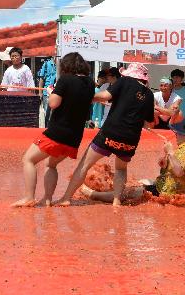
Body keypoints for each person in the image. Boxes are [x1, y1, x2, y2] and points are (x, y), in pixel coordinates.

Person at [56, 62, 155, 207]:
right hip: (130, 139)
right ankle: (116, 200)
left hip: (110, 133)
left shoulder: (124, 81)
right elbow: (148, 124)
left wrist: (87, 97)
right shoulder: (149, 95)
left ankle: (66, 198)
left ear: (130, 74)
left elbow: (105, 95)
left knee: (84, 165)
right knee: (121, 169)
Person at [13, 52, 94, 207]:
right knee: (51, 164)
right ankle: (47, 199)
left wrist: (51, 92)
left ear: (66, 66)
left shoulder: (66, 79)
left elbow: (53, 104)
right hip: (74, 137)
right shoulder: (89, 83)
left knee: (28, 159)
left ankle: (29, 197)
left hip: (57, 133)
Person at [82, 118, 185, 203]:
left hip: (166, 191)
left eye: (177, 133)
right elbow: (179, 170)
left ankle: (93, 194)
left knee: (124, 193)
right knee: (141, 181)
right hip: (171, 188)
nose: (175, 135)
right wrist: (166, 161)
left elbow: (179, 171)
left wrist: (170, 152)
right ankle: (108, 191)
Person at [37, 57, 57, 126]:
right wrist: (40, 93)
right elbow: (41, 79)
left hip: (58, 93)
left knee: (55, 114)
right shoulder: (46, 64)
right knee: (47, 114)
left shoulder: (63, 64)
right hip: (47, 93)